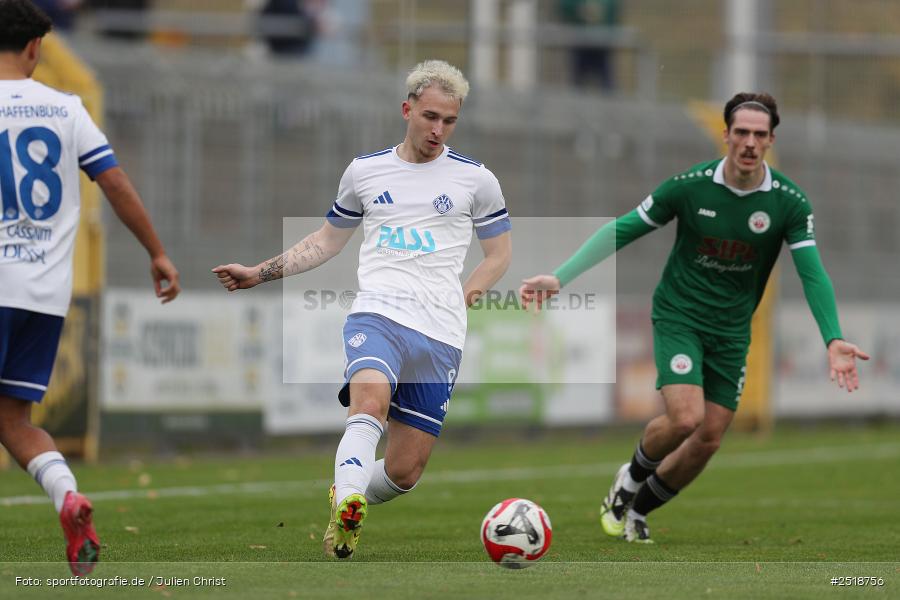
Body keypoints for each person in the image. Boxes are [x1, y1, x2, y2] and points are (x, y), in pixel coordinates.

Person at [519, 92, 869, 543]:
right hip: (680, 315)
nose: (748, 142)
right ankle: (628, 482)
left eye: (759, 135)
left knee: (708, 438)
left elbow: (813, 273)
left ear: (770, 140)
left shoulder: (789, 203)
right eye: (740, 132)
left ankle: (638, 512)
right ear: (725, 135)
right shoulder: (689, 187)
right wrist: (561, 276)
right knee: (685, 418)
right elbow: (622, 228)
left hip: (732, 329)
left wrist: (832, 338)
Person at [213, 60, 512, 559]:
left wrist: (465, 296)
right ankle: (351, 500)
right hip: (377, 315)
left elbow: (499, 256)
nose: (438, 129)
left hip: (439, 333)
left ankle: (346, 496)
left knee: (404, 471)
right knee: (368, 401)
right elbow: (326, 242)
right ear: (407, 109)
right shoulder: (366, 171)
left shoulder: (476, 181)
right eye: (430, 116)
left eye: (449, 121)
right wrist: (259, 272)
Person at [0, 0, 180, 575]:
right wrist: (156, 251)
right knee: (12, 424)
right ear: (34, 49)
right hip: (42, 296)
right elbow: (116, 183)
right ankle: (68, 497)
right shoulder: (66, 108)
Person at [558, 0, 620, 91]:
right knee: (577, 85)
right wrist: (578, 8)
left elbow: (614, 10)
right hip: (579, 45)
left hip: (602, 46)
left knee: (607, 86)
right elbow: (564, 6)